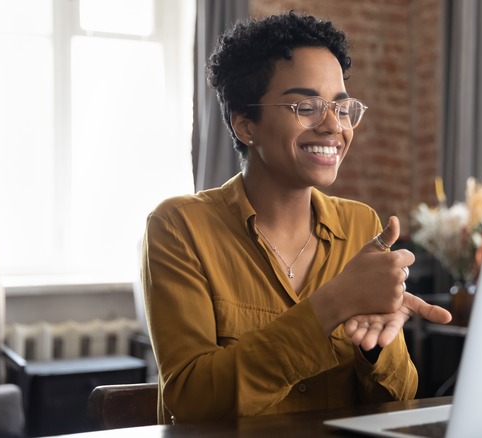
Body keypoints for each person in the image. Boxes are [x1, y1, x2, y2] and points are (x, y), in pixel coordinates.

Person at [141, 11, 452, 423]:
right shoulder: (179, 227)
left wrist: (377, 347)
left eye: (342, 109)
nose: (332, 127)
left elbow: (399, 401)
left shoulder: (362, 227)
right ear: (245, 124)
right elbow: (192, 401)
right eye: (306, 106)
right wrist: (330, 306)